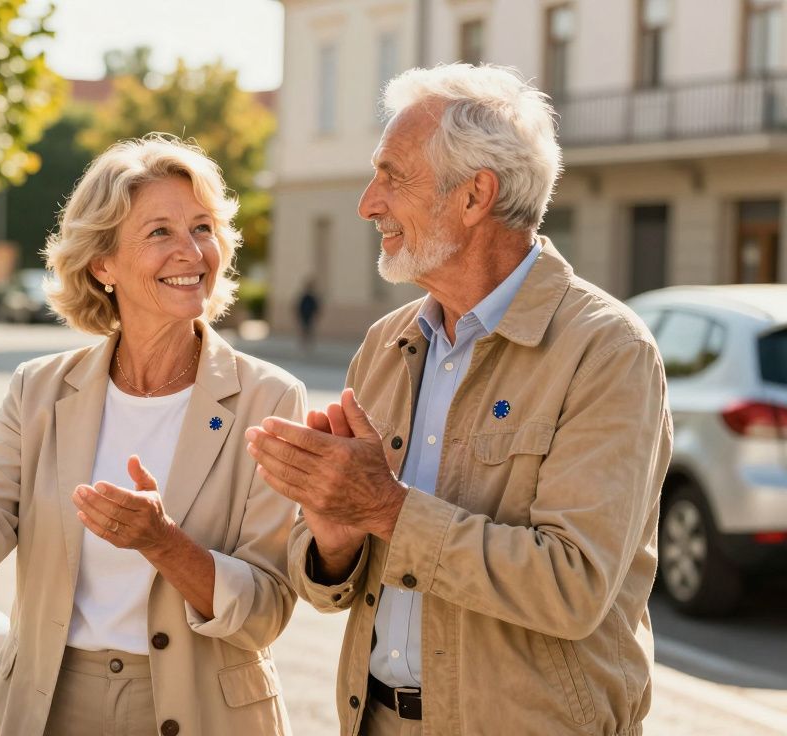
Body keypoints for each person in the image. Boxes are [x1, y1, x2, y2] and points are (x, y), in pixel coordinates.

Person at [246, 64, 672, 735]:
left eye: (393, 175)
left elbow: (574, 586)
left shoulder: (605, 350)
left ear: (475, 197)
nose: (368, 202)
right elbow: (330, 586)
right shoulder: (388, 343)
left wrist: (384, 508)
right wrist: (334, 539)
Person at [0, 135, 305, 736]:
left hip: (207, 710)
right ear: (102, 264)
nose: (191, 252)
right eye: (159, 232)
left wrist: (162, 542)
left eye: (203, 227)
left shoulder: (270, 398)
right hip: (49, 703)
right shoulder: (40, 389)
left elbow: (264, 611)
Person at [296, 279, 321, 353]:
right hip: (304, 316)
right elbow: (299, 306)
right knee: (304, 331)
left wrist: (315, 315)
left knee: (309, 331)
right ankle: (303, 345)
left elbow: (316, 307)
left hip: (309, 317)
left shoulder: (312, 298)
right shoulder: (304, 297)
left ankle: (309, 345)